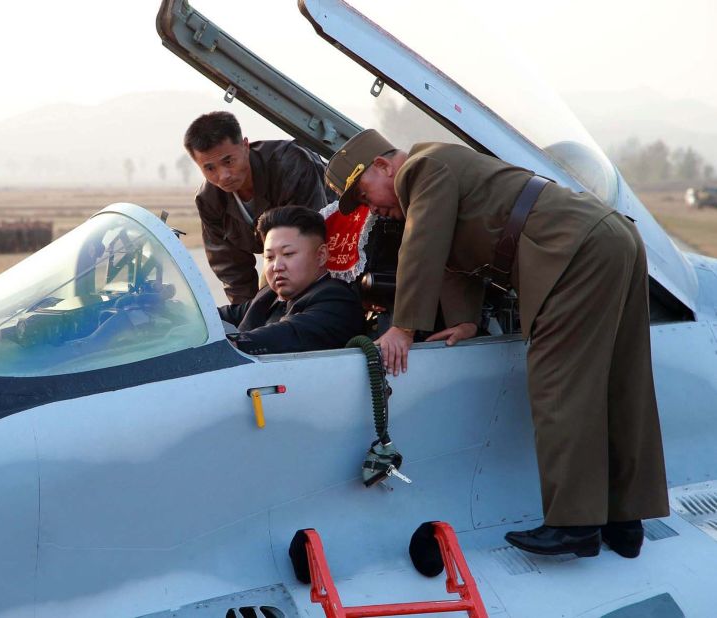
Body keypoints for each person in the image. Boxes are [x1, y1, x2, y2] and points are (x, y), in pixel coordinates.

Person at [325, 128, 669, 558]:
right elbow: (451, 258)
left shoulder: (420, 168)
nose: (370, 206)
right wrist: (466, 321)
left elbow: (424, 244)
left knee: (559, 385)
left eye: (363, 193)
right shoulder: (440, 170)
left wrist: (404, 327)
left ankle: (575, 524)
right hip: (607, 239)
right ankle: (625, 520)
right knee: (621, 380)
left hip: (573, 252)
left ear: (382, 165)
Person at [184, 111, 329, 305]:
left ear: (245, 146)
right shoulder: (209, 199)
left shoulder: (289, 164)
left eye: (228, 161)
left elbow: (312, 243)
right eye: (210, 168)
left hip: (335, 250)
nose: (223, 175)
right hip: (282, 260)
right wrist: (249, 318)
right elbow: (231, 270)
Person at [218, 206, 364, 354]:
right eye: (269, 257)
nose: (276, 266)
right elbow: (225, 315)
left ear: (321, 255)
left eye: (288, 254)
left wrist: (234, 344)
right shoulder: (268, 295)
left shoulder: (336, 300)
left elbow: (287, 333)